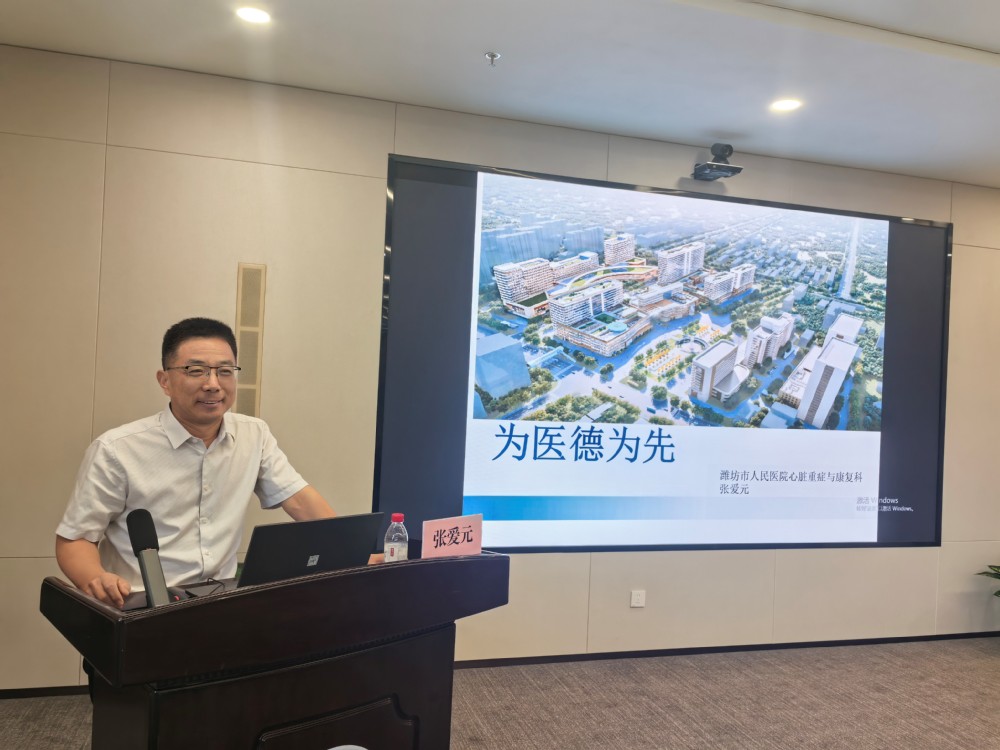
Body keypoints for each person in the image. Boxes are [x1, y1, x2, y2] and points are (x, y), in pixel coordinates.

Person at [55, 317, 337, 608]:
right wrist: (96, 578)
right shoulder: (117, 449)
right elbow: (75, 539)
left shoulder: (254, 435)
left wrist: (347, 549)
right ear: (165, 381)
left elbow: (300, 500)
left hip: (220, 603)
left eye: (225, 371)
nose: (213, 384)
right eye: (196, 371)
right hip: (139, 608)